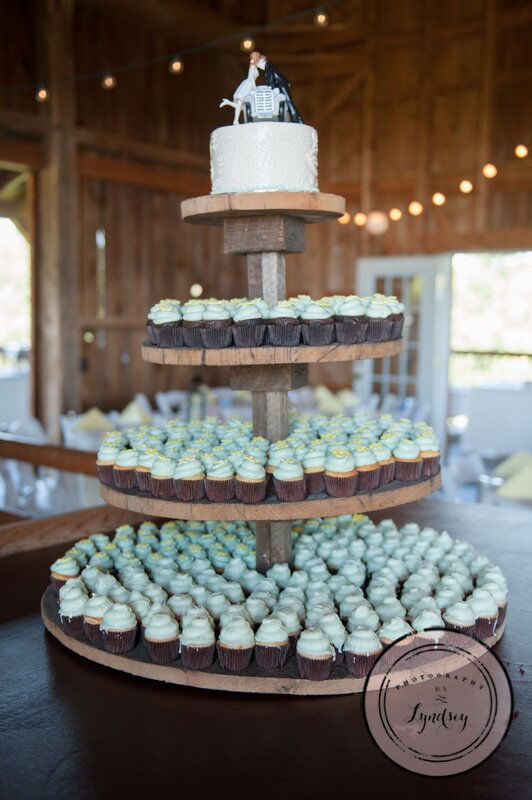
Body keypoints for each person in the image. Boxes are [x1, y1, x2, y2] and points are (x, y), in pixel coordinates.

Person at [251, 51, 303, 123]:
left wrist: (269, 86)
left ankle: (297, 120)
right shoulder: (267, 67)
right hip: (280, 85)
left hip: (282, 85)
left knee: (289, 102)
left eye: (258, 64)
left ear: (262, 60)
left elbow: (271, 78)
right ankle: (291, 119)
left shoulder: (268, 65)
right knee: (285, 103)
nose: (259, 66)